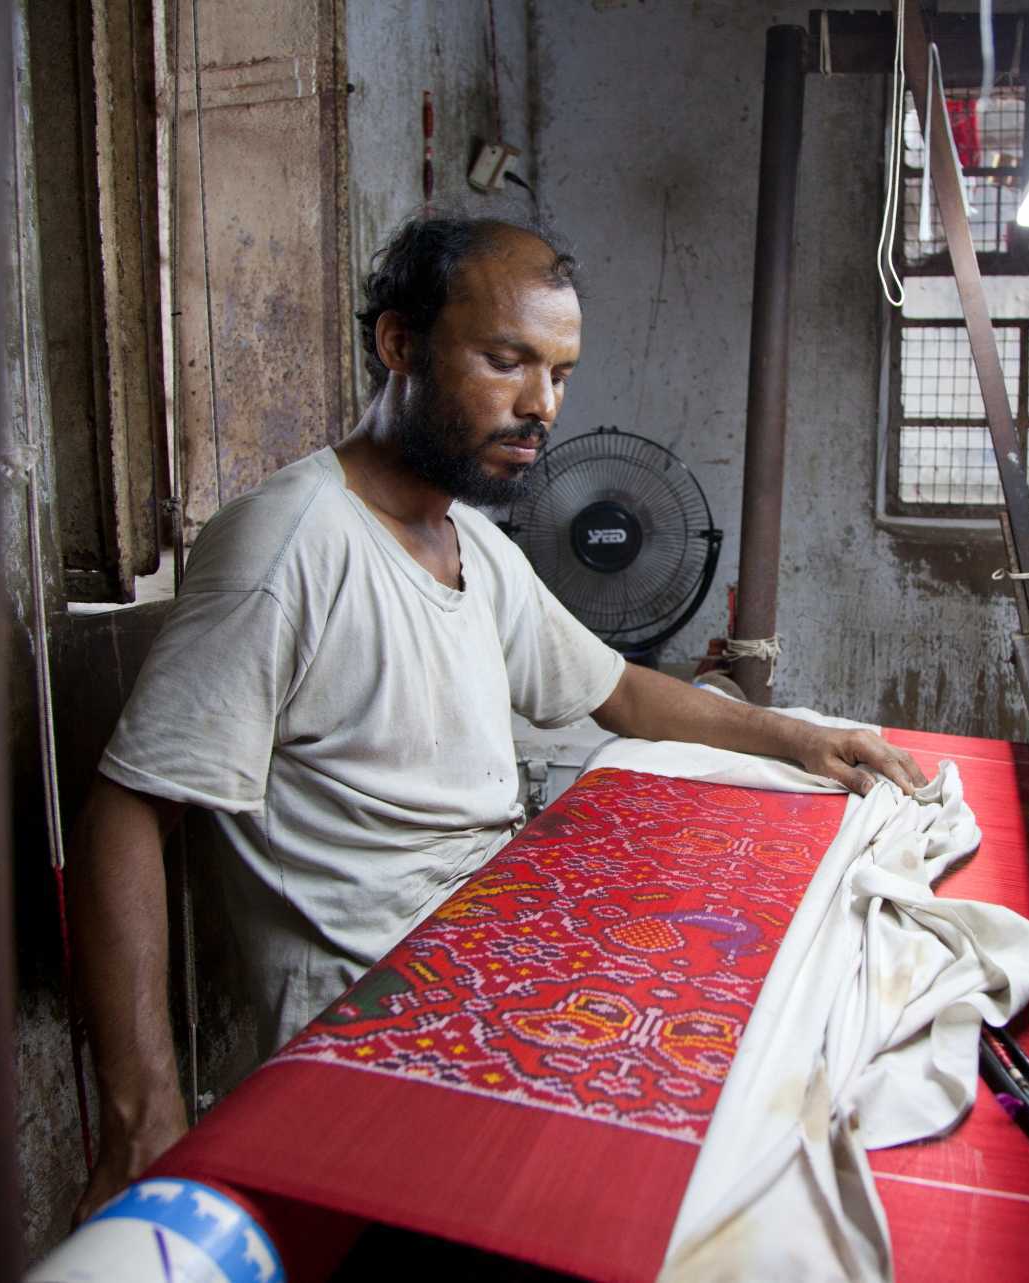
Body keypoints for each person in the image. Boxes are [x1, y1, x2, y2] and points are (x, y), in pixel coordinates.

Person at [67, 214, 926, 1220]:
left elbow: (618, 689)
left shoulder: (471, 541)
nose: (541, 405)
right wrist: (143, 1114)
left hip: (486, 952)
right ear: (399, 346)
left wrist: (802, 737)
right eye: (506, 361)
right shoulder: (290, 545)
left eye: (558, 372)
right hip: (372, 1024)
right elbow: (127, 807)